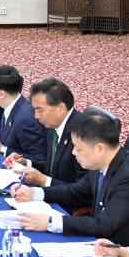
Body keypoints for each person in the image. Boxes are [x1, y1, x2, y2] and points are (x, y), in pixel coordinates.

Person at [12, 111, 129, 248]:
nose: (73, 152)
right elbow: (76, 192)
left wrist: (50, 222)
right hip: (101, 242)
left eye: (78, 148)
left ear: (99, 148)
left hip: (123, 252)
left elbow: (104, 224)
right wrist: (35, 193)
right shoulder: (101, 163)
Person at [11, 78, 87, 209]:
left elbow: (83, 192)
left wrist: (43, 181)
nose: (36, 116)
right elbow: (52, 165)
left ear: (60, 108)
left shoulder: (82, 135)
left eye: (40, 110)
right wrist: (26, 163)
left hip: (68, 207)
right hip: (50, 196)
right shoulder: (53, 125)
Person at [0, 65, 47, 166]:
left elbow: (39, 160)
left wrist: (2, 149)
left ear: (1, 94)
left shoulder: (25, 119)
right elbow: (14, 134)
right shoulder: (13, 105)